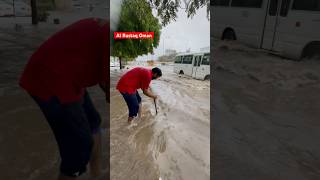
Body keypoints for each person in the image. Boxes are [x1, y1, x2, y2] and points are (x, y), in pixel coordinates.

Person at [19, 18, 109, 180]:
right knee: (79, 149)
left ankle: (97, 175)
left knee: (93, 122)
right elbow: (108, 88)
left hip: (68, 75)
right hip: (50, 78)